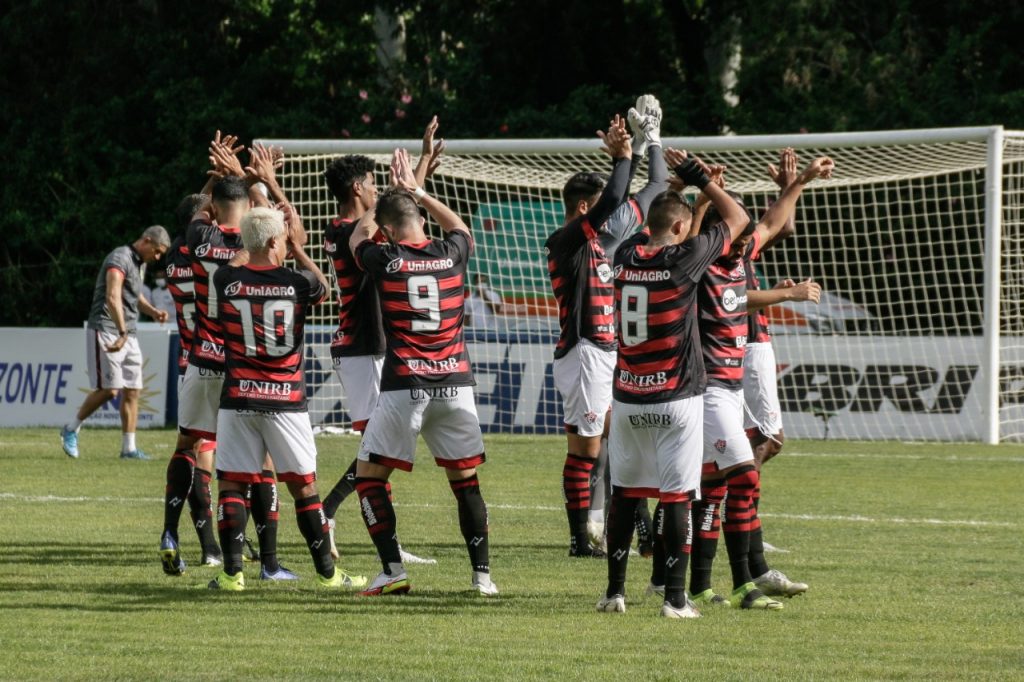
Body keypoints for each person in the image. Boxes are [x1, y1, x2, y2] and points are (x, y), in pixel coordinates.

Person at [598, 149, 752, 619]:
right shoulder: (685, 259)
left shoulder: (625, 254)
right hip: (676, 396)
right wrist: (699, 177)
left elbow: (655, 222)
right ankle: (675, 600)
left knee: (626, 495)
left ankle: (614, 593)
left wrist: (678, 191)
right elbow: (739, 219)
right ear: (684, 228)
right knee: (679, 495)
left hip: (628, 396)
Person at [686, 149, 835, 610]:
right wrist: (785, 294)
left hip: (735, 370)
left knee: (729, 470)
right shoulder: (703, 263)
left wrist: (798, 183)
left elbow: (774, 226)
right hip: (719, 372)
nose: (749, 236)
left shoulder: (736, 251)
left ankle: (718, 570)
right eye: (740, 230)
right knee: (747, 463)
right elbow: (735, 296)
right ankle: (746, 565)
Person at [348, 148, 496, 597]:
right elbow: (462, 229)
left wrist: (381, 202)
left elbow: (358, 237)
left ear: (389, 230)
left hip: (405, 384)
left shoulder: (386, 259)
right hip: (455, 383)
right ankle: (482, 578)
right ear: (420, 219)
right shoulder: (451, 254)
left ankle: (393, 571)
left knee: (368, 478)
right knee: (465, 483)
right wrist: (418, 190)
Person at [206, 206, 365, 591]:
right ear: (277, 241)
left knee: (232, 486)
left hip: (239, 398)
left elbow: (237, 264)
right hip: (285, 400)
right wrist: (296, 247)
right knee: (304, 488)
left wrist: (254, 240)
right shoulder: (297, 283)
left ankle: (231, 575)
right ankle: (328, 575)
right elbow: (324, 288)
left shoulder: (226, 280)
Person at [159, 138, 295, 579]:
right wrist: (254, 179)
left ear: (214, 209)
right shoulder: (258, 245)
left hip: (199, 360)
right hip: (242, 366)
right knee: (257, 462)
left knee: (187, 447)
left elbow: (199, 214)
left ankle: (171, 533)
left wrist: (221, 178)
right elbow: (285, 231)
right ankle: (267, 561)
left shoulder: (196, 242)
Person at [545, 98, 667, 558]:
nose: (608, 217)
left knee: (622, 443)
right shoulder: (566, 242)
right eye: (597, 210)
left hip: (606, 352)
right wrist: (623, 156)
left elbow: (653, 189)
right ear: (582, 209)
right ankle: (580, 539)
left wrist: (649, 142)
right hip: (584, 352)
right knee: (586, 451)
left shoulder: (605, 241)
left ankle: (642, 533)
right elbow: (615, 199)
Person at [319, 117, 444, 566]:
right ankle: (327, 511)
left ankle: (382, 537)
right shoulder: (344, 232)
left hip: (370, 347)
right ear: (358, 188)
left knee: (381, 445)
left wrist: (420, 166)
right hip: (361, 348)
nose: (376, 190)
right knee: (378, 446)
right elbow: (390, 214)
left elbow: (399, 213)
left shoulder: (359, 227)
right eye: (372, 184)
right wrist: (407, 182)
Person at [60, 225, 171, 460]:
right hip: (106, 329)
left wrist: (152, 312)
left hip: (128, 333)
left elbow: (134, 295)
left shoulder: (140, 264)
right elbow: (112, 296)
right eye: (157, 251)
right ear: (146, 240)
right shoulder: (120, 257)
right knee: (110, 390)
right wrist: (122, 332)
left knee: (133, 390)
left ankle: (128, 449)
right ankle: (71, 428)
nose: (157, 257)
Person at [162, 192, 222, 565]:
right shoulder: (212, 255)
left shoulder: (173, 259)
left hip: (189, 362)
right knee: (209, 460)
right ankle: (214, 548)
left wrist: (209, 189)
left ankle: (185, 537)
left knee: (189, 448)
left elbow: (192, 216)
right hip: (215, 359)